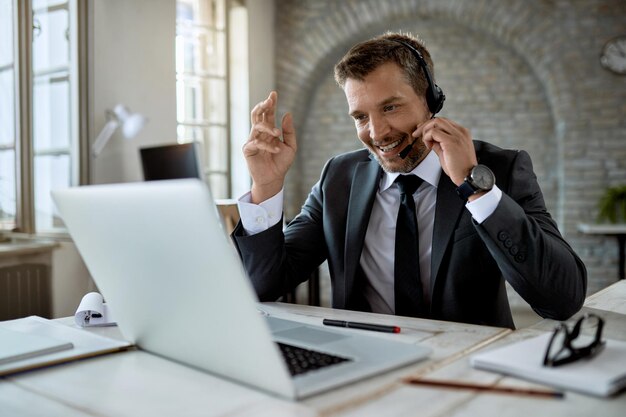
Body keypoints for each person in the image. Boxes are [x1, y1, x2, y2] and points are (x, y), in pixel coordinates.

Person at [232, 31, 587, 328]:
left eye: (390, 107)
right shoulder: (338, 178)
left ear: (431, 100)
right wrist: (266, 186)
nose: (377, 132)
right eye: (360, 116)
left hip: (466, 368)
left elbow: (561, 299)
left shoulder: (498, 169)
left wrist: (474, 186)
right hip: (364, 365)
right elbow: (264, 285)